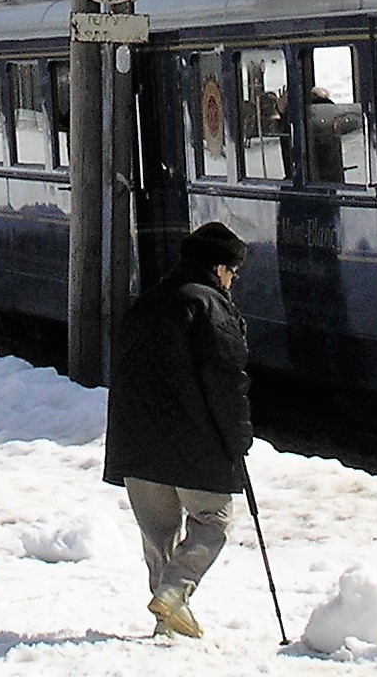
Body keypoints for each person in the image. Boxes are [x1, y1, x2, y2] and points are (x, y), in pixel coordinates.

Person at [102, 221, 253, 639]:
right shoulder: (211, 307)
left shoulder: (146, 302)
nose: (233, 280)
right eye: (233, 272)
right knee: (211, 521)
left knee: (158, 537)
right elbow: (228, 381)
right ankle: (172, 593)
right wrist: (238, 439)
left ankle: (164, 622)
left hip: (137, 446)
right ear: (219, 268)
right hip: (194, 445)